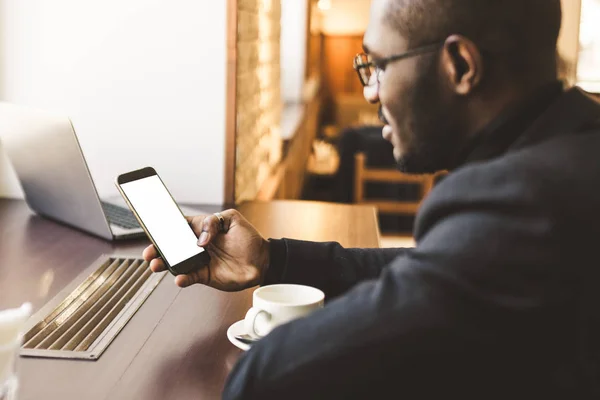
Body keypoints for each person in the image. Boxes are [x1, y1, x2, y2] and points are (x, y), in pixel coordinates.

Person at [144, 0, 600, 398]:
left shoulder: (525, 204)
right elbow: (427, 271)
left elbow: (271, 379)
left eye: (380, 64)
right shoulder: (569, 148)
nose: (369, 90)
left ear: (460, 65)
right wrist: (271, 260)